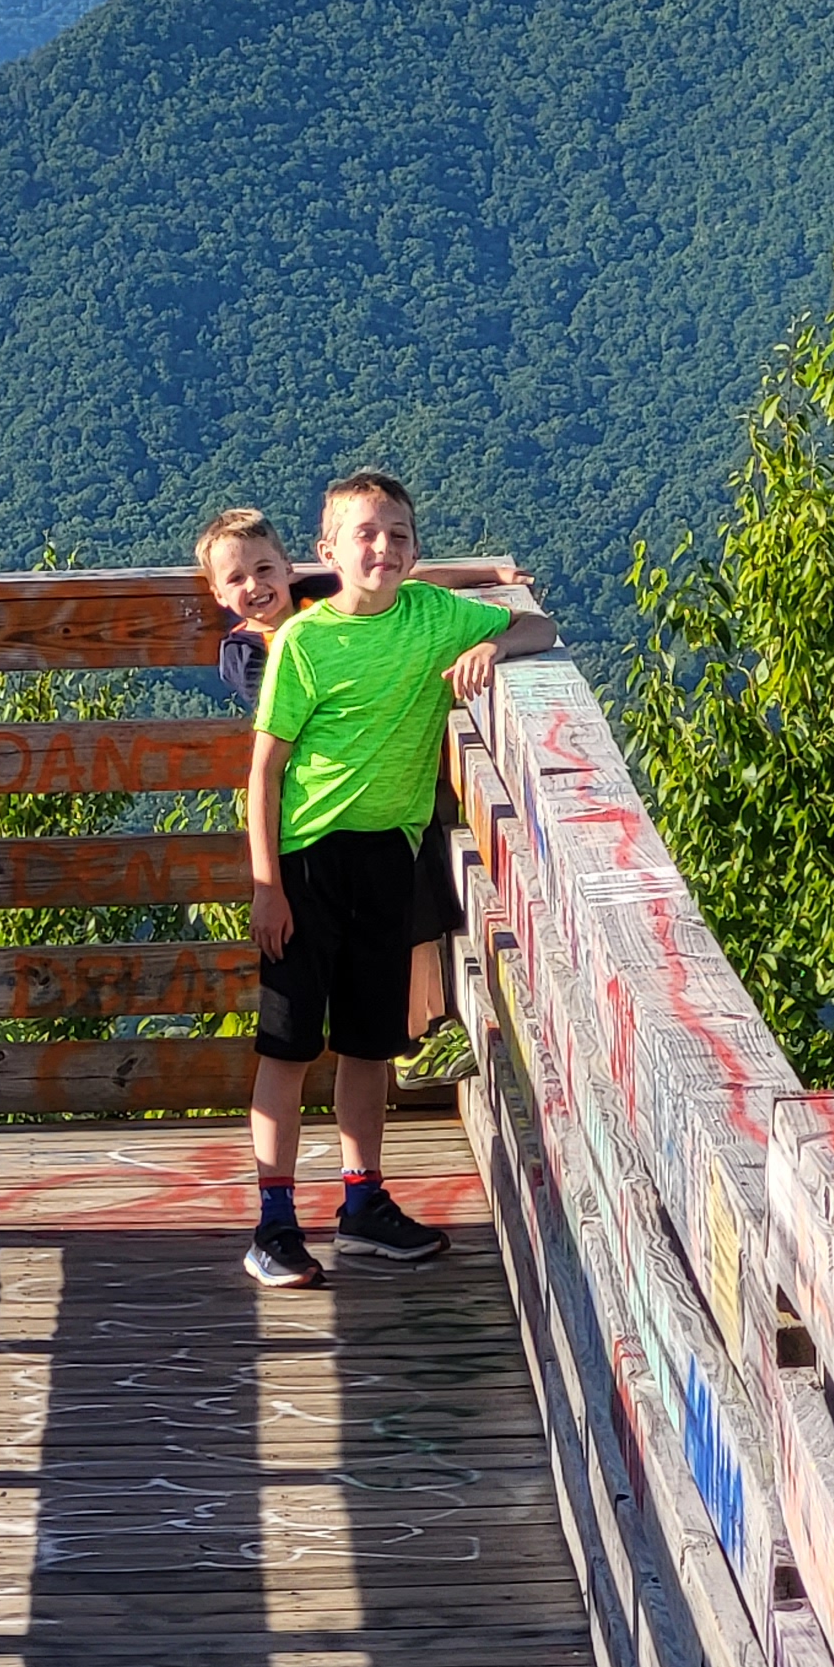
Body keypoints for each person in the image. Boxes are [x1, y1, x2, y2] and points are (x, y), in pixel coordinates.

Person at [235, 469, 556, 1286]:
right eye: (365, 535)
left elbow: (539, 627)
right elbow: (264, 773)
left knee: (369, 1045)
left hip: (388, 858)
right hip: (308, 862)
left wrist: (490, 642)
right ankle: (273, 1222)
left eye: (399, 536)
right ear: (328, 552)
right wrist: (266, 886)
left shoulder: (433, 616)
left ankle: (361, 1204)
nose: (383, 548)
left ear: (415, 549)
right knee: (288, 1045)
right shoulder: (307, 642)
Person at [194, 506, 476, 1092]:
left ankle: (419, 1030)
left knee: (420, 904)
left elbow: (401, 585)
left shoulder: (324, 594)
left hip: (388, 801)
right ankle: (405, 1038)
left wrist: (489, 581)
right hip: (312, 820)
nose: (256, 587)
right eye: (238, 580)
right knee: (320, 969)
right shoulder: (250, 653)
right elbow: (280, 730)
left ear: (292, 567)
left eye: (265, 569)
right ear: (219, 595)